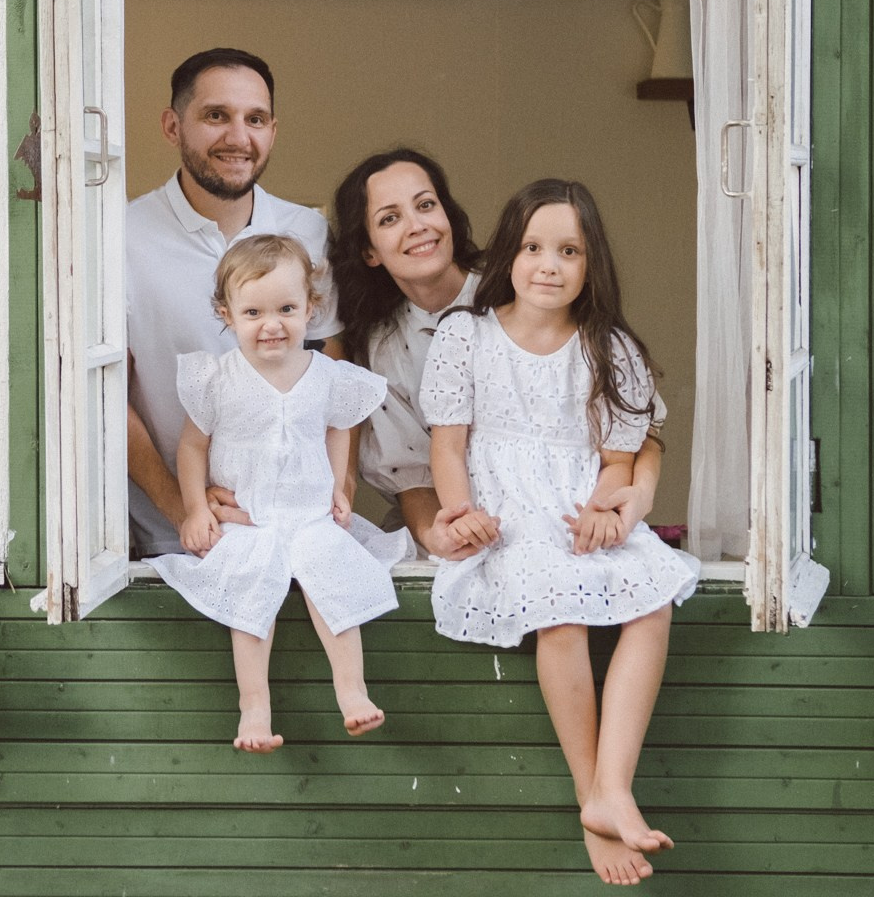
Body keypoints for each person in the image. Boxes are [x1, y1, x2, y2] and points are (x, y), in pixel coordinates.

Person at [420, 180, 700, 887]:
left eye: (569, 251)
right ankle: (592, 796)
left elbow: (617, 460)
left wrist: (611, 508)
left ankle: (616, 785)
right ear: (507, 257)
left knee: (653, 597)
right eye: (533, 247)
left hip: (576, 510)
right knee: (560, 613)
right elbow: (449, 446)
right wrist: (461, 512)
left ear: (590, 263)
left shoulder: (608, 347)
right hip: (507, 520)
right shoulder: (466, 335)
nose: (549, 264)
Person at [331, 149, 668, 557]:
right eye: (390, 218)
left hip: (572, 528)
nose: (417, 226)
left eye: (425, 205)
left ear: (448, 215)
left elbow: (636, 423)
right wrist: (438, 534)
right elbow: (411, 474)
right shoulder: (382, 349)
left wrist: (639, 496)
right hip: (464, 534)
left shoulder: (525, 284)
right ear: (369, 250)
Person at [153, 235, 397, 751]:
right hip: (248, 518)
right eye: (254, 311)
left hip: (308, 514)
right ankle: (254, 710)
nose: (272, 324)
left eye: (287, 308)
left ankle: (352, 691)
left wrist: (338, 488)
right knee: (250, 593)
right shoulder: (218, 379)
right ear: (227, 314)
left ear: (312, 307)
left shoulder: (327, 375)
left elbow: (338, 429)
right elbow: (192, 448)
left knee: (332, 581)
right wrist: (196, 508)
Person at [126, 48, 337, 558]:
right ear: (173, 126)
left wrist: (339, 493)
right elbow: (106, 396)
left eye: (256, 119)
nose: (239, 138)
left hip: (297, 528)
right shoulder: (120, 235)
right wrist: (184, 508)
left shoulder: (307, 231)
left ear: (272, 130)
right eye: (216, 116)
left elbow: (332, 368)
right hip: (172, 539)